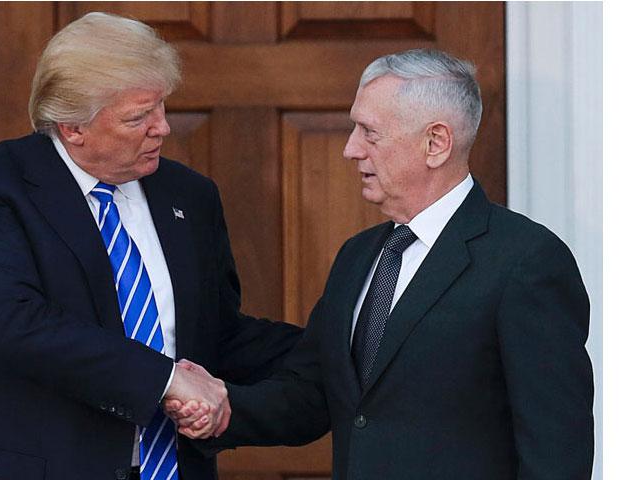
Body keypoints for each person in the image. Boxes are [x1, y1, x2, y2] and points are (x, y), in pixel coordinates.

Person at [169, 49, 595, 479]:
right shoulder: (360, 255)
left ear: (435, 143)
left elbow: (556, 451)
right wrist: (221, 408)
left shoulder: (526, 261)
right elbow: (312, 394)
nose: (350, 150)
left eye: (369, 133)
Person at [0, 12, 302, 480]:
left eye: (162, 107)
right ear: (73, 127)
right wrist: (165, 381)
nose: (163, 128)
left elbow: (216, 332)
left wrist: (338, 349)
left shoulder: (189, 195)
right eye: (139, 117)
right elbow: (15, 325)